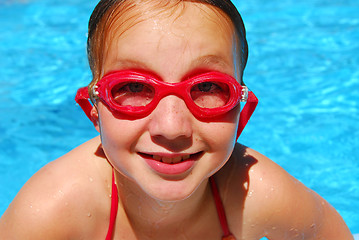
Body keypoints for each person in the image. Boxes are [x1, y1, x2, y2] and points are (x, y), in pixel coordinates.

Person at [0, 0, 353, 239]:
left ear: (241, 114)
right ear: (94, 110)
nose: (172, 127)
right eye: (134, 87)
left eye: (209, 88)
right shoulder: (51, 212)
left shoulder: (259, 195)